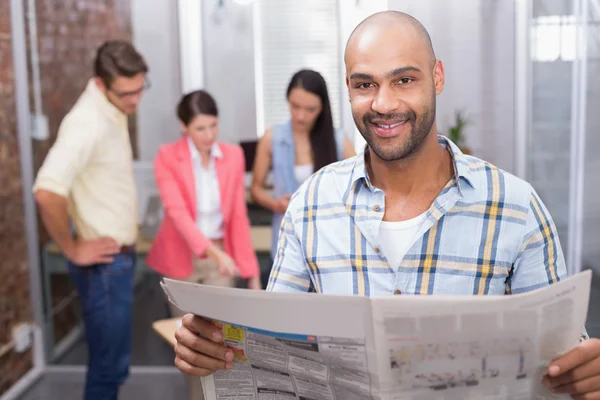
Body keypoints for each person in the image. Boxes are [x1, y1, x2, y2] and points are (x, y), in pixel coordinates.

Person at [172, 11, 600, 398]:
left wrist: (586, 372)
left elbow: (564, 359)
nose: (383, 103)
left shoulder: (516, 208)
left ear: (438, 77)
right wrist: (213, 349)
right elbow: (268, 354)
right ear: (349, 90)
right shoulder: (310, 205)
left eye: (404, 80)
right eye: (365, 85)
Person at [33, 40, 148, 400]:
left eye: (141, 89)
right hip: (104, 265)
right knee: (106, 369)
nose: (136, 101)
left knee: (112, 364)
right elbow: (47, 191)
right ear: (100, 84)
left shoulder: (111, 110)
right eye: (126, 93)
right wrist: (71, 248)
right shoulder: (88, 121)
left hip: (115, 261)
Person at [146, 89, 261, 312]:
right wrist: (214, 253)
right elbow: (177, 214)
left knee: (219, 329)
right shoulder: (167, 157)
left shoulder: (233, 156)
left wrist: (252, 272)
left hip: (220, 258)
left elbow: (238, 215)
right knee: (183, 331)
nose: (209, 135)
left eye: (213, 125)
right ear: (184, 126)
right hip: (181, 255)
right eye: (200, 128)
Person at [250, 69, 355, 267]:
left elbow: (360, 187)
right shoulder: (272, 138)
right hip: (287, 239)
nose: (300, 116)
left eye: (310, 109)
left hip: (331, 243)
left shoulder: (338, 140)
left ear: (322, 108)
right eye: (294, 106)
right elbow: (255, 189)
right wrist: (276, 204)